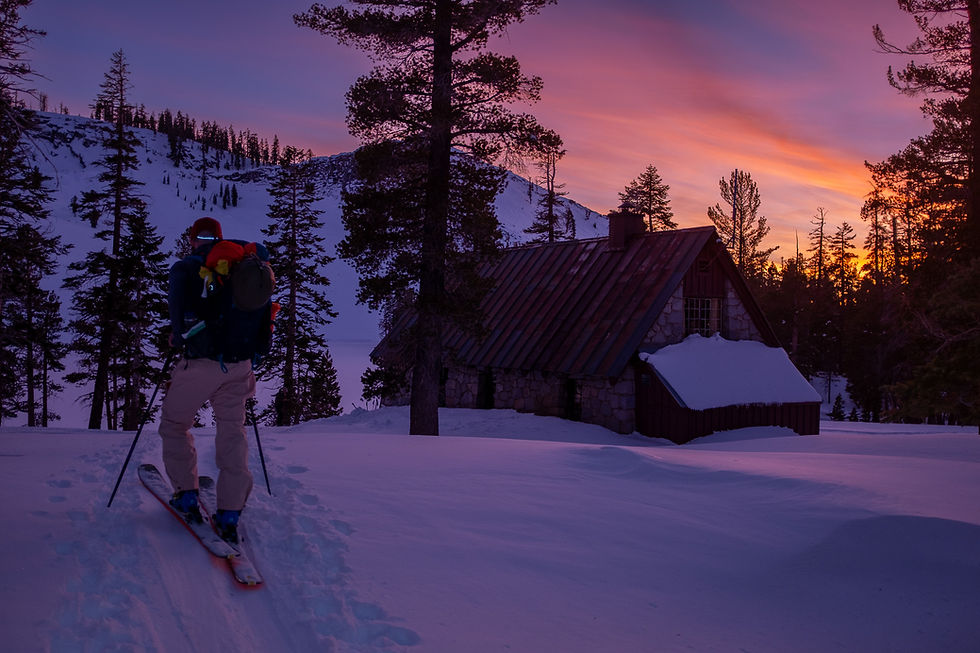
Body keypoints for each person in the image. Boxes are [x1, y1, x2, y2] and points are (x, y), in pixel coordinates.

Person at [159, 216, 270, 543]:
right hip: (240, 365)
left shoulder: (186, 269)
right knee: (232, 430)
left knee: (175, 424)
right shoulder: (248, 268)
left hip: (203, 364)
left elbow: (179, 324)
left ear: (193, 241)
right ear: (221, 239)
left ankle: (187, 494)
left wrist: (177, 338)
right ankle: (231, 511)